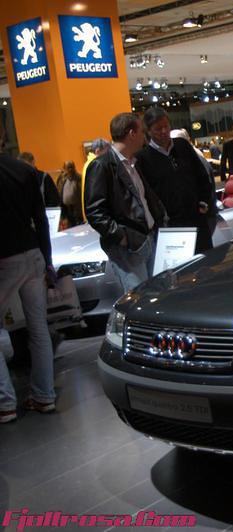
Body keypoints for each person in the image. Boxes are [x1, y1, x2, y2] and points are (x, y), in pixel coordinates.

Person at [0, 122, 57, 422]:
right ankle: (44, 395)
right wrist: (48, 261)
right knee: (38, 328)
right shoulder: (24, 171)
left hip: (4, 260)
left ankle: (5, 403)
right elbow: (41, 219)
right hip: (33, 254)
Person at [85, 113, 167, 293]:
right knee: (139, 299)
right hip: (128, 248)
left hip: (147, 240)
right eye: (142, 132)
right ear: (131, 134)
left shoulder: (133, 163)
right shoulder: (101, 165)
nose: (144, 136)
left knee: (155, 296)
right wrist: (122, 238)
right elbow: (95, 212)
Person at [136, 107, 215, 253]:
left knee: (206, 261)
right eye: (158, 129)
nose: (164, 131)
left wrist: (205, 201)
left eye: (166, 126)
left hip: (196, 218)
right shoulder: (142, 158)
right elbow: (147, 195)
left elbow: (202, 176)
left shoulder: (182, 145)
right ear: (148, 131)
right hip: (170, 228)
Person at [81, 138, 110, 221]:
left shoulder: (89, 163)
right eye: (107, 152)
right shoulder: (95, 165)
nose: (109, 155)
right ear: (97, 151)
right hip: (97, 216)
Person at [57, 161, 83, 228]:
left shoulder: (79, 178)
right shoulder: (61, 178)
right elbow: (58, 190)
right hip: (65, 208)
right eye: (68, 167)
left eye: (72, 167)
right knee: (69, 227)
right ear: (64, 168)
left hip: (77, 208)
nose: (70, 169)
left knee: (78, 226)